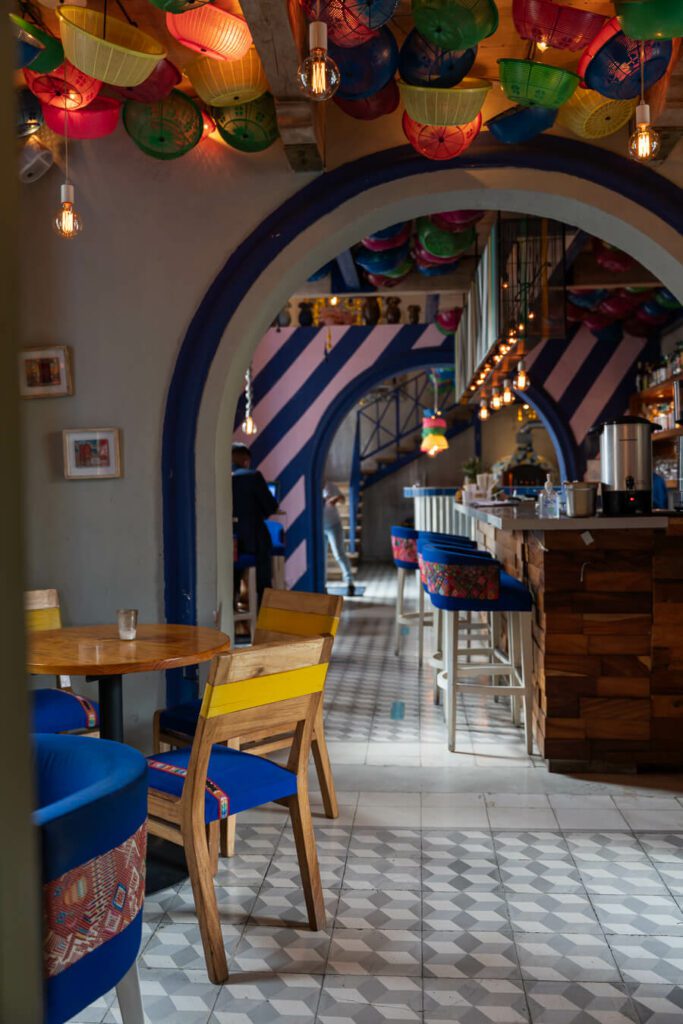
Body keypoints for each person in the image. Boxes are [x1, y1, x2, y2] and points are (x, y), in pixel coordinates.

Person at [232, 443, 278, 606]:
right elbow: (271, 507)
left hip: (228, 545)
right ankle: (263, 607)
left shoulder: (220, 476)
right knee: (264, 544)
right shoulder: (253, 476)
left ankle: (234, 603)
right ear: (245, 461)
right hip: (252, 542)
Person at [323, 482, 355, 596]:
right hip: (319, 527)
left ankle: (350, 583)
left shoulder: (330, 486)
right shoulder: (310, 487)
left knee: (339, 554)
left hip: (333, 525)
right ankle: (322, 584)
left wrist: (336, 498)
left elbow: (343, 500)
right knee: (321, 558)